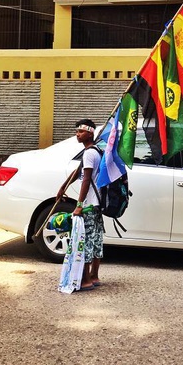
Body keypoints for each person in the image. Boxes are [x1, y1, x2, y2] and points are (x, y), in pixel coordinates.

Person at [70, 118, 105, 291]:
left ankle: (85, 280)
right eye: (77, 132)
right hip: (97, 204)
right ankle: (95, 275)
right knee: (97, 239)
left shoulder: (89, 153)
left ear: (90, 133)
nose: (78, 135)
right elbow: (77, 172)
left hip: (89, 204)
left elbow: (86, 179)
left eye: (81, 132)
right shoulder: (96, 151)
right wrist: (64, 186)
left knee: (85, 241)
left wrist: (79, 204)